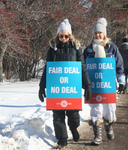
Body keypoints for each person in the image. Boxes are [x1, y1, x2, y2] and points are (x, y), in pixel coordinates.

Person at [38, 19, 92, 149]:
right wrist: (42, 86)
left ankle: (74, 129)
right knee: (58, 115)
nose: (63, 38)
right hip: (56, 88)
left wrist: (88, 85)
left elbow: (82, 68)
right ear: (57, 36)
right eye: (61, 36)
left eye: (66, 36)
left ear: (70, 36)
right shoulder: (52, 50)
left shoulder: (76, 49)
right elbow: (47, 68)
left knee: (73, 114)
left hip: (71, 88)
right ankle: (62, 138)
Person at [83, 18, 125, 145]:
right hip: (94, 85)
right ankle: (97, 135)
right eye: (96, 33)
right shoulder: (89, 49)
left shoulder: (112, 48)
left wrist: (121, 81)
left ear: (104, 34)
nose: (98, 35)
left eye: (100, 33)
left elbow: (119, 65)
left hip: (108, 85)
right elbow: (83, 66)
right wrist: (84, 82)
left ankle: (109, 125)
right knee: (96, 109)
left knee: (110, 109)